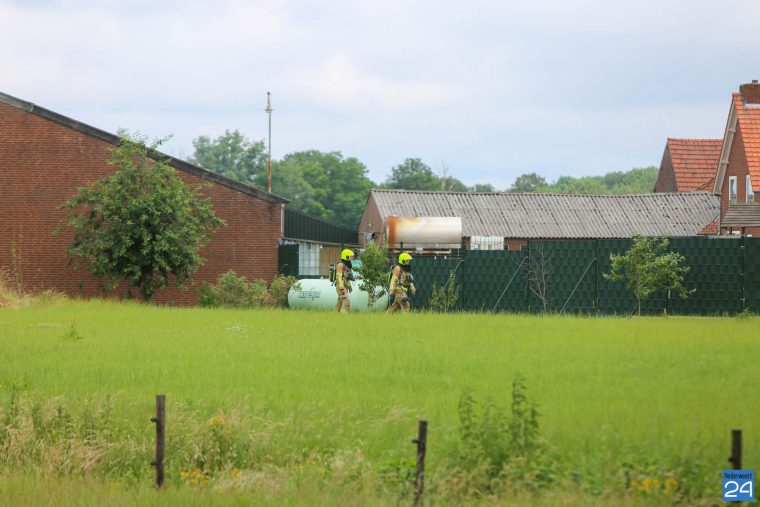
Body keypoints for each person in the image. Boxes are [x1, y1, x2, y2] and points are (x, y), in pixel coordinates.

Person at [334, 248, 354, 313]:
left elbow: (347, 277)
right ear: (346, 257)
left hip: (345, 285)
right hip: (341, 286)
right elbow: (338, 277)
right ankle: (343, 315)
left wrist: (350, 286)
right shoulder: (340, 265)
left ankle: (334, 314)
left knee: (340, 302)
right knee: (346, 301)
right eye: (350, 257)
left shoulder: (347, 266)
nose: (351, 258)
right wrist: (341, 287)